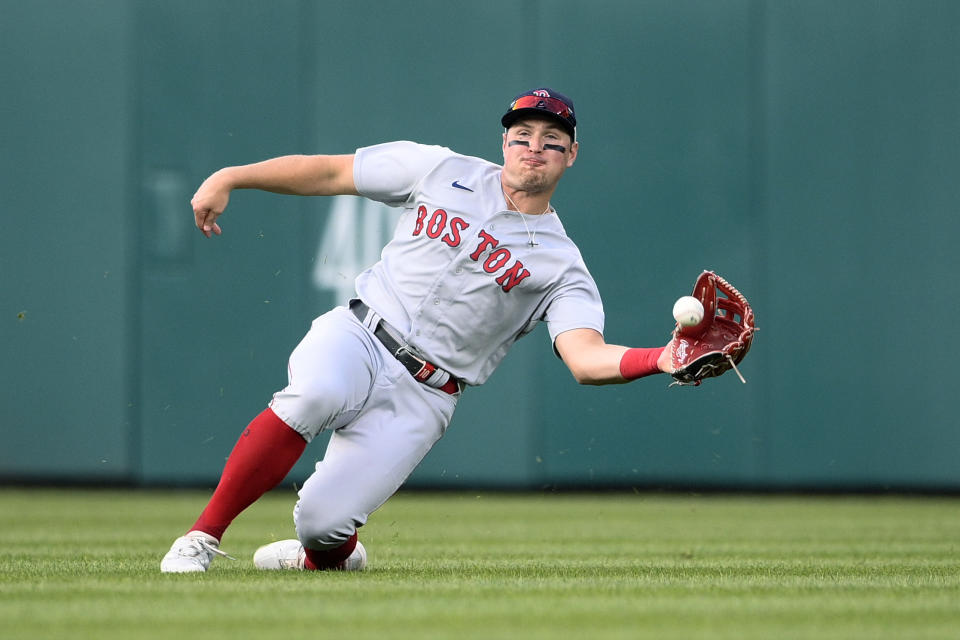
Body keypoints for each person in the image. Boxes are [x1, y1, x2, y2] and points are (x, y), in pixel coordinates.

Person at [160, 87, 672, 573]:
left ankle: (325, 556)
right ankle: (201, 536)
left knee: (321, 523)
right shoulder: (439, 169)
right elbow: (330, 172)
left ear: (571, 155)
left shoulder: (562, 265)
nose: (533, 148)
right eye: (522, 135)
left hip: (426, 393)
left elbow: (586, 359)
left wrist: (663, 358)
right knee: (314, 394)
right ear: (504, 142)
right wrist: (232, 176)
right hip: (361, 334)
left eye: (551, 141)